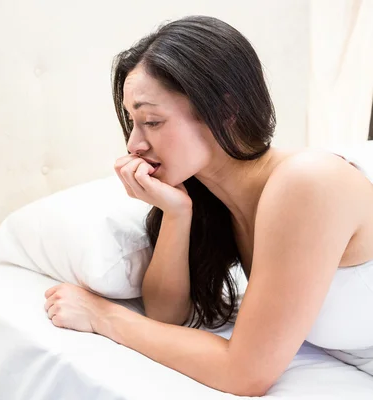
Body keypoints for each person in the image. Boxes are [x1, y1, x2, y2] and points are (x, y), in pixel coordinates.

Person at [43, 15, 373, 396]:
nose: (134, 144)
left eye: (152, 120)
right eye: (133, 122)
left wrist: (102, 316)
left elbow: (245, 374)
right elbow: (167, 316)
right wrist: (177, 214)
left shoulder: (308, 183)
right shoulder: (218, 202)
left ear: (225, 110)